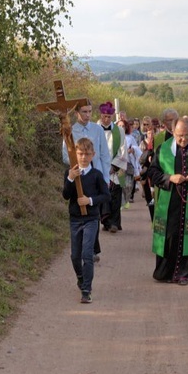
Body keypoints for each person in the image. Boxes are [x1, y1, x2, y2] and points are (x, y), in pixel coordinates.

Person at [147, 118, 188, 285]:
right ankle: (165, 273)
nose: (182, 139)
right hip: (170, 202)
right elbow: (153, 173)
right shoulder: (163, 149)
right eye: (179, 136)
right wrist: (170, 178)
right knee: (169, 236)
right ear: (173, 132)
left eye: (186, 135)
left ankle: (185, 274)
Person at [62, 138, 110, 304]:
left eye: (87, 154)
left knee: (87, 254)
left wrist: (89, 200)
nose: (83, 157)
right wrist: (69, 179)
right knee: (75, 256)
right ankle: (81, 277)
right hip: (75, 219)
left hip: (91, 219)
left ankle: (86, 290)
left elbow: (106, 195)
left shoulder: (96, 175)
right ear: (75, 154)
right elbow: (66, 195)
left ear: (93, 155)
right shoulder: (71, 173)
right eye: (80, 154)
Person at [62, 100, 112, 261]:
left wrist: (105, 177)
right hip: (78, 176)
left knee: (93, 210)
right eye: (84, 111)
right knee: (79, 208)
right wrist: (75, 167)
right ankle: (83, 245)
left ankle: (90, 248)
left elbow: (104, 154)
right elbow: (65, 154)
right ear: (77, 113)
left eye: (90, 111)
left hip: (94, 175)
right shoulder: (71, 130)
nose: (88, 115)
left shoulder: (97, 130)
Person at [97, 101, 127, 233]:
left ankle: (115, 223)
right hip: (98, 167)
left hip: (114, 169)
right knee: (102, 195)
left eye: (109, 117)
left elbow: (123, 150)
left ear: (112, 116)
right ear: (100, 115)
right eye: (104, 116)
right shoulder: (94, 128)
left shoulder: (119, 131)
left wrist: (113, 167)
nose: (106, 119)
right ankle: (106, 222)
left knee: (115, 196)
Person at [117, 118, 140, 206]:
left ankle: (126, 200)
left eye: (123, 126)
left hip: (128, 164)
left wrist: (132, 150)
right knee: (119, 185)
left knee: (128, 185)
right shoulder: (113, 137)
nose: (121, 127)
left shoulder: (130, 138)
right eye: (119, 126)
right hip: (117, 165)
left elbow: (136, 148)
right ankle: (120, 203)